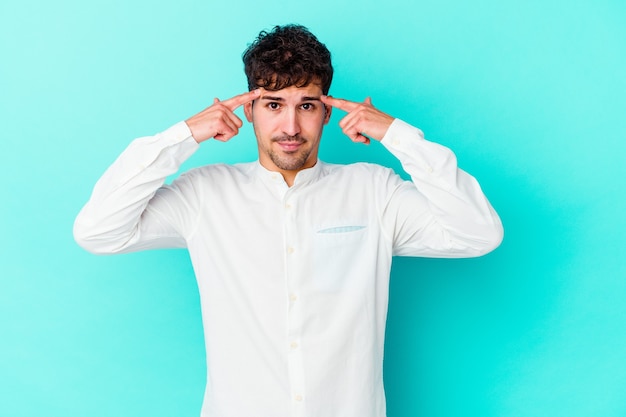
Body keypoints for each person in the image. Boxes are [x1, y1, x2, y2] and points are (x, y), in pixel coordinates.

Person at [74, 24, 503, 417]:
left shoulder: (375, 192)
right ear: (249, 111)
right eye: (274, 104)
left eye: (307, 105)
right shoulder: (204, 194)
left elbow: (478, 233)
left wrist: (396, 134)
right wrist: (183, 135)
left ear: (327, 113)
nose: (290, 125)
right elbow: (98, 231)